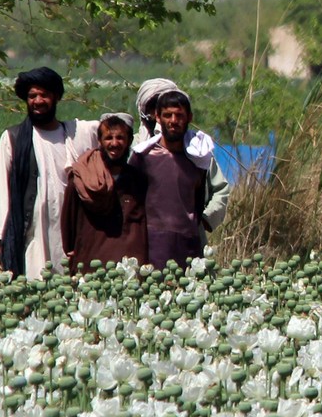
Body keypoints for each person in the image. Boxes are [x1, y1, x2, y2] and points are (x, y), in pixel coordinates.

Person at [0, 67, 97, 278]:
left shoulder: (73, 135)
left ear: (56, 97)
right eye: (32, 96)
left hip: (67, 233)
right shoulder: (14, 138)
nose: (38, 101)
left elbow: (112, 132)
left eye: (44, 95)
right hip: (31, 233)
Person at [134, 77, 230, 243]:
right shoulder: (136, 148)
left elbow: (220, 189)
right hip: (147, 237)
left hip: (189, 237)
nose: (170, 120)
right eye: (155, 108)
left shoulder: (197, 149)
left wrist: (203, 219)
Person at [130, 90, 213, 269]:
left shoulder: (198, 157)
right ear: (157, 117)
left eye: (179, 115)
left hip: (188, 244)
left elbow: (198, 202)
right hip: (153, 245)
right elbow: (132, 201)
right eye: (167, 115)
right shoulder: (144, 156)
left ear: (189, 117)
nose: (173, 121)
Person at [62, 113, 147, 273]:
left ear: (129, 141)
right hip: (91, 264)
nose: (114, 144)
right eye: (109, 138)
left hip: (129, 267)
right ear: (99, 141)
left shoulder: (138, 180)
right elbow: (69, 222)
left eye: (120, 138)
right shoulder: (82, 179)